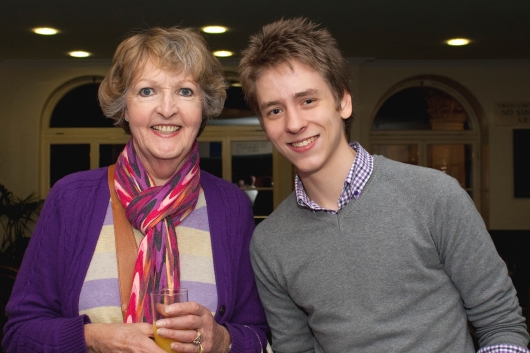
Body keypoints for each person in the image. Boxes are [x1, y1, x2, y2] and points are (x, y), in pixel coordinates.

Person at [239, 17, 530, 352]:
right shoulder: (270, 243)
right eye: (274, 110)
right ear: (265, 126)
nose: (293, 123)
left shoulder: (434, 196)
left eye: (308, 100)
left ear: (343, 102)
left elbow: (501, 323)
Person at [3, 27, 268, 353]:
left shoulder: (231, 206)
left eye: (185, 92)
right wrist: (93, 339)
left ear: (204, 109)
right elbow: (19, 334)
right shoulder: (71, 199)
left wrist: (223, 339)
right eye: (147, 91)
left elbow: (258, 334)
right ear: (124, 108)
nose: (167, 108)